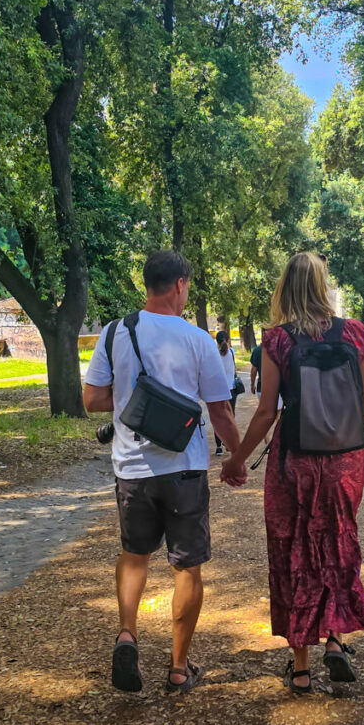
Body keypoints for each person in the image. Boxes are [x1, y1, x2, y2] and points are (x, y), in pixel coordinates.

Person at [83, 250, 247, 695]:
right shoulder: (197, 340)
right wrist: (238, 458)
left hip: (131, 469)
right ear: (180, 285)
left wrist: (130, 399)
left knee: (135, 555)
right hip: (185, 470)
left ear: (147, 285)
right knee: (186, 569)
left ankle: (126, 634)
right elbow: (221, 411)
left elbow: (92, 399)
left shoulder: (116, 331)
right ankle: (178, 667)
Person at [221, 252, 364, 693]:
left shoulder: (277, 341)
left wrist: (236, 459)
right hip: (346, 460)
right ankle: (334, 640)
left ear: (285, 288)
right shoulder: (356, 335)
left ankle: (302, 667)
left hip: (295, 463)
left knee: (294, 550)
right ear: (324, 285)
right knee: (336, 541)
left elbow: (267, 411)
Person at [213, 329, 239, 456]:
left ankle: (219, 446)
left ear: (216, 342)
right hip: (231, 389)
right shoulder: (232, 352)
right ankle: (229, 443)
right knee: (230, 416)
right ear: (228, 340)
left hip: (218, 389)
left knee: (217, 417)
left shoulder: (214, 354)